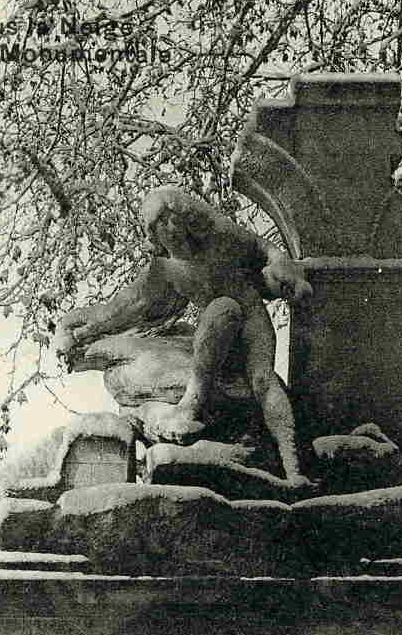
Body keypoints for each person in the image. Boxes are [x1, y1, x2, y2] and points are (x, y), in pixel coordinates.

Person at [54, 186, 314, 489]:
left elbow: (264, 248)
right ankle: (192, 402)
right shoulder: (165, 270)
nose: (172, 236)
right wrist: (78, 329)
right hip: (218, 335)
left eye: (174, 226)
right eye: (162, 231)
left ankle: (293, 470)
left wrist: (282, 267)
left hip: (251, 319)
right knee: (221, 310)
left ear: (189, 222)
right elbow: (124, 307)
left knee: (263, 379)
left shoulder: (222, 237)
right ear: (154, 236)